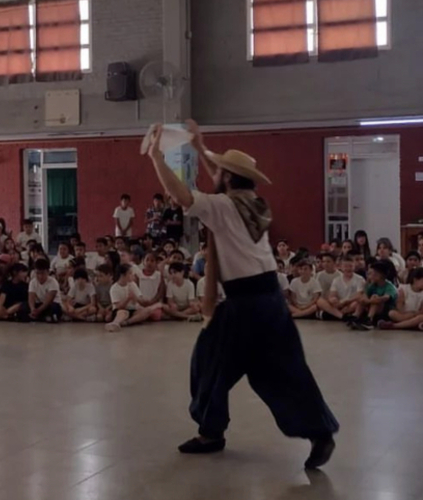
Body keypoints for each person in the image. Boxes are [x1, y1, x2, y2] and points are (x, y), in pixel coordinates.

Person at [148, 121, 337, 467]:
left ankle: (211, 431)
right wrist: (201, 146)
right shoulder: (254, 203)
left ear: (229, 179)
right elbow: (222, 189)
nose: (215, 175)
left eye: (220, 172)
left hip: (244, 303)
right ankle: (320, 432)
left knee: (208, 362)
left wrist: (157, 158)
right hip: (271, 300)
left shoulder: (222, 207)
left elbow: (182, 196)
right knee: (286, 369)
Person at [105, 264, 160, 331]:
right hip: (120, 311)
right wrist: (128, 299)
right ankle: (115, 323)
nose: (132, 275)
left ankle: (127, 322)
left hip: (132, 310)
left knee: (147, 310)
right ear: (123, 275)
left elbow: (140, 299)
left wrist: (138, 299)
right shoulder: (114, 288)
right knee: (123, 312)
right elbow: (117, 307)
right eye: (130, 273)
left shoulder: (132, 284)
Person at [351, 261, 398, 330]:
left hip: (385, 311)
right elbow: (365, 294)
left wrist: (370, 300)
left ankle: (369, 320)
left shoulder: (389, 286)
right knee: (362, 298)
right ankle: (355, 316)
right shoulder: (373, 285)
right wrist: (367, 299)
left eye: (374, 274)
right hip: (372, 307)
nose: (371, 276)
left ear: (382, 275)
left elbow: (386, 297)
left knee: (375, 298)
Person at [317, 255, 366, 322]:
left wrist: (346, 301)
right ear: (341, 267)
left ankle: (336, 315)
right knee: (320, 301)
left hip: (350, 304)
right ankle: (342, 316)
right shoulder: (336, 280)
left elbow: (359, 295)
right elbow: (332, 295)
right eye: (345, 266)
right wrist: (333, 300)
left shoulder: (360, 279)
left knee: (358, 302)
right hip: (339, 304)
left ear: (354, 266)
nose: (348, 269)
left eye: (350, 266)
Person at [24, 259, 63, 323]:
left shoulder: (53, 282)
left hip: (49, 305)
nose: (40, 276)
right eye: (38, 273)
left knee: (54, 308)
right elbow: (31, 297)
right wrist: (32, 309)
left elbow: (48, 300)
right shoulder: (33, 282)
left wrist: (38, 311)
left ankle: (40, 317)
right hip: (39, 304)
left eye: (42, 273)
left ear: (48, 272)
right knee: (24, 306)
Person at [137, 252, 165, 321]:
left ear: (156, 263)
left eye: (152, 261)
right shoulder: (138, 274)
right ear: (143, 262)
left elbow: (160, 292)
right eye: (147, 260)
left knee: (156, 315)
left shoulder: (159, 275)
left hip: (153, 303)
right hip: (140, 303)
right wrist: (142, 301)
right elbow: (135, 290)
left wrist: (152, 301)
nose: (149, 263)